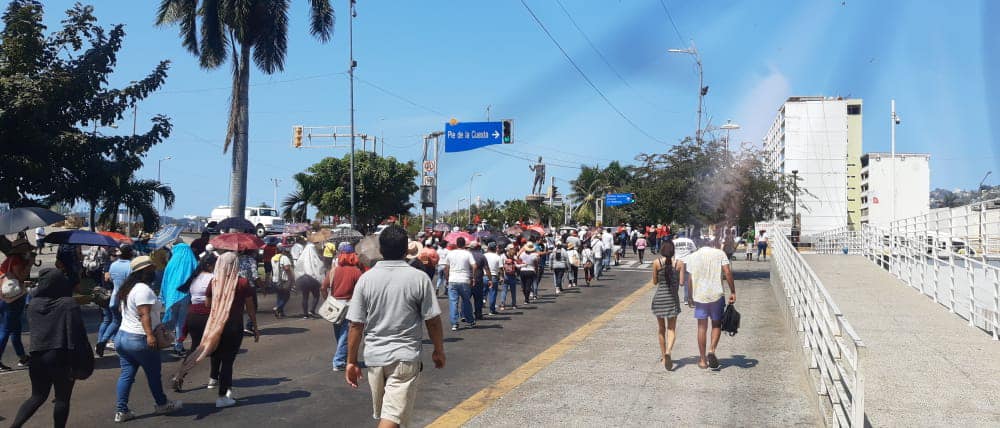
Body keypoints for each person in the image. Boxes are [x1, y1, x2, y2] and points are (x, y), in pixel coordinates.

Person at [344, 226, 445, 428]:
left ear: (381, 250)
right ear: (405, 250)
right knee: (391, 418)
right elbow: (432, 320)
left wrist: (351, 361)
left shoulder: (366, 279)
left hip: (374, 359)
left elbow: (356, 324)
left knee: (391, 416)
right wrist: (438, 350)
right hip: (404, 359)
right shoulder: (419, 278)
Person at [10, 256, 91, 428]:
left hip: (37, 357)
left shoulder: (33, 305)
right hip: (61, 356)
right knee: (62, 398)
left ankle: (14, 426)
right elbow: (76, 335)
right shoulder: (68, 304)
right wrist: (78, 361)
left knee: (37, 396)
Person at [172, 252, 259, 408]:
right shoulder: (242, 283)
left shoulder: (214, 282)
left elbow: (207, 304)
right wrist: (255, 327)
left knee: (209, 352)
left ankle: (206, 379)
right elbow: (250, 308)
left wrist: (220, 307)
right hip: (234, 326)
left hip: (218, 324)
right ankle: (222, 396)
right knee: (228, 361)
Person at [113, 256, 183, 422]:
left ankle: (121, 411)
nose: (155, 271)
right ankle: (162, 404)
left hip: (122, 337)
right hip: (139, 339)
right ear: (144, 272)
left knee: (126, 375)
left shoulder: (128, 288)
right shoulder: (143, 290)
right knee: (153, 374)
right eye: (152, 269)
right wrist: (151, 336)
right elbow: (144, 315)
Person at [686, 238, 736, 369]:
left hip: (700, 296)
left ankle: (703, 360)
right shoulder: (720, 253)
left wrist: (690, 296)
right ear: (713, 244)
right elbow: (727, 272)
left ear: (698, 245)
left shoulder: (692, 256)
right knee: (716, 324)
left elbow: (690, 279)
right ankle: (712, 350)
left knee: (702, 327)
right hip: (717, 295)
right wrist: (733, 291)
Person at [177, 254, 218, 388]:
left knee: (194, 348)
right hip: (207, 315)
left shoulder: (195, 278)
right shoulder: (213, 279)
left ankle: (180, 375)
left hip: (193, 315)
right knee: (216, 348)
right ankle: (213, 378)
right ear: (209, 265)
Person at [322, 245, 362, 371]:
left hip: (334, 306)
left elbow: (323, 288)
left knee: (339, 334)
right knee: (345, 334)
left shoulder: (333, 271)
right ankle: (338, 361)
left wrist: (327, 300)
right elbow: (361, 291)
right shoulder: (356, 271)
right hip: (349, 306)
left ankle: (342, 357)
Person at [1, 239, 34, 371]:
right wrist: (30, 264)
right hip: (12, 300)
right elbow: (20, 277)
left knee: (15, 329)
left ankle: (23, 357)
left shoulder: (8, 260)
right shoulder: (16, 260)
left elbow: (13, 279)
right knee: (6, 330)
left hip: (5, 298)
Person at [651, 241, 684, 371]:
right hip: (672, 300)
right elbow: (681, 283)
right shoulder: (679, 263)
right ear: (673, 251)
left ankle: (664, 357)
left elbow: (655, 282)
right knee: (671, 329)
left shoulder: (656, 263)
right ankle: (669, 351)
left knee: (661, 329)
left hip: (659, 299)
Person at [160, 243, 197, 357]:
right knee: (181, 323)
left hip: (172, 296)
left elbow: (165, 280)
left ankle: (163, 341)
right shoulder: (192, 261)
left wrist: (163, 296)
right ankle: (178, 345)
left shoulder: (171, 263)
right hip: (185, 296)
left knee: (171, 321)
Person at [97, 244, 133, 357]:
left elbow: (111, 280)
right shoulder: (130, 266)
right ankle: (122, 346)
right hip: (124, 299)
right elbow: (129, 284)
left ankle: (102, 341)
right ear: (130, 254)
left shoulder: (114, 265)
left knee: (115, 322)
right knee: (124, 323)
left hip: (114, 298)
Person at [443, 237, 476, 331]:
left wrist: (447, 278)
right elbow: (474, 266)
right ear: (464, 244)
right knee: (466, 301)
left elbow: (446, 268)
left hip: (453, 279)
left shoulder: (451, 253)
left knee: (453, 302)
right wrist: (472, 277)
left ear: (457, 244)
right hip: (464, 279)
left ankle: (454, 323)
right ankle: (470, 320)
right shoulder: (467, 253)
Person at [294, 243, 325, 318]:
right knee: (316, 295)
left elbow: (297, 267)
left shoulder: (302, 257)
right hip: (313, 279)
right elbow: (319, 266)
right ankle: (312, 310)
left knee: (305, 297)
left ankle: (305, 314)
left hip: (303, 279)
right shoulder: (315, 257)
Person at [237, 249, 261, 331]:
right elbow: (255, 275)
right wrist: (262, 286)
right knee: (253, 306)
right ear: (252, 252)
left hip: (238, 286)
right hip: (249, 286)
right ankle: (249, 326)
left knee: (239, 307)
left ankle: (239, 326)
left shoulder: (237, 259)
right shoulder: (251, 260)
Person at [469, 241, 490, 320]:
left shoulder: (467, 255)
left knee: (466, 298)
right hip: (478, 279)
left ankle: (464, 314)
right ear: (478, 247)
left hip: (468, 279)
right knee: (478, 299)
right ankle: (478, 314)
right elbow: (487, 268)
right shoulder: (482, 256)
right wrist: (490, 279)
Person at [270, 246, 294, 318]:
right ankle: (278, 308)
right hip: (283, 280)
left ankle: (280, 312)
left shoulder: (273, 258)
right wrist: (291, 278)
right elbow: (287, 268)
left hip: (275, 280)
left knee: (279, 296)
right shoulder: (284, 258)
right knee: (286, 296)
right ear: (283, 251)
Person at [483, 242, 503, 315]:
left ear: (488, 248)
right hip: (494, 276)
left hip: (484, 276)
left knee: (483, 292)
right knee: (492, 294)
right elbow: (501, 268)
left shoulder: (484, 255)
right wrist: (501, 277)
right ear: (495, 248)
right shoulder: (497, 257)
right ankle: (492, 310)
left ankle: (482, 303)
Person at [499, 244, 519, 311]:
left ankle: (502, 305)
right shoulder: (514, 256)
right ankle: (514, 304)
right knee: (513, 291)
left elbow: (500, 267)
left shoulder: (502, 256)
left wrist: (501, 276)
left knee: (504, 291)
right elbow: (517, 265)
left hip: (505, 275)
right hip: (513, 275)